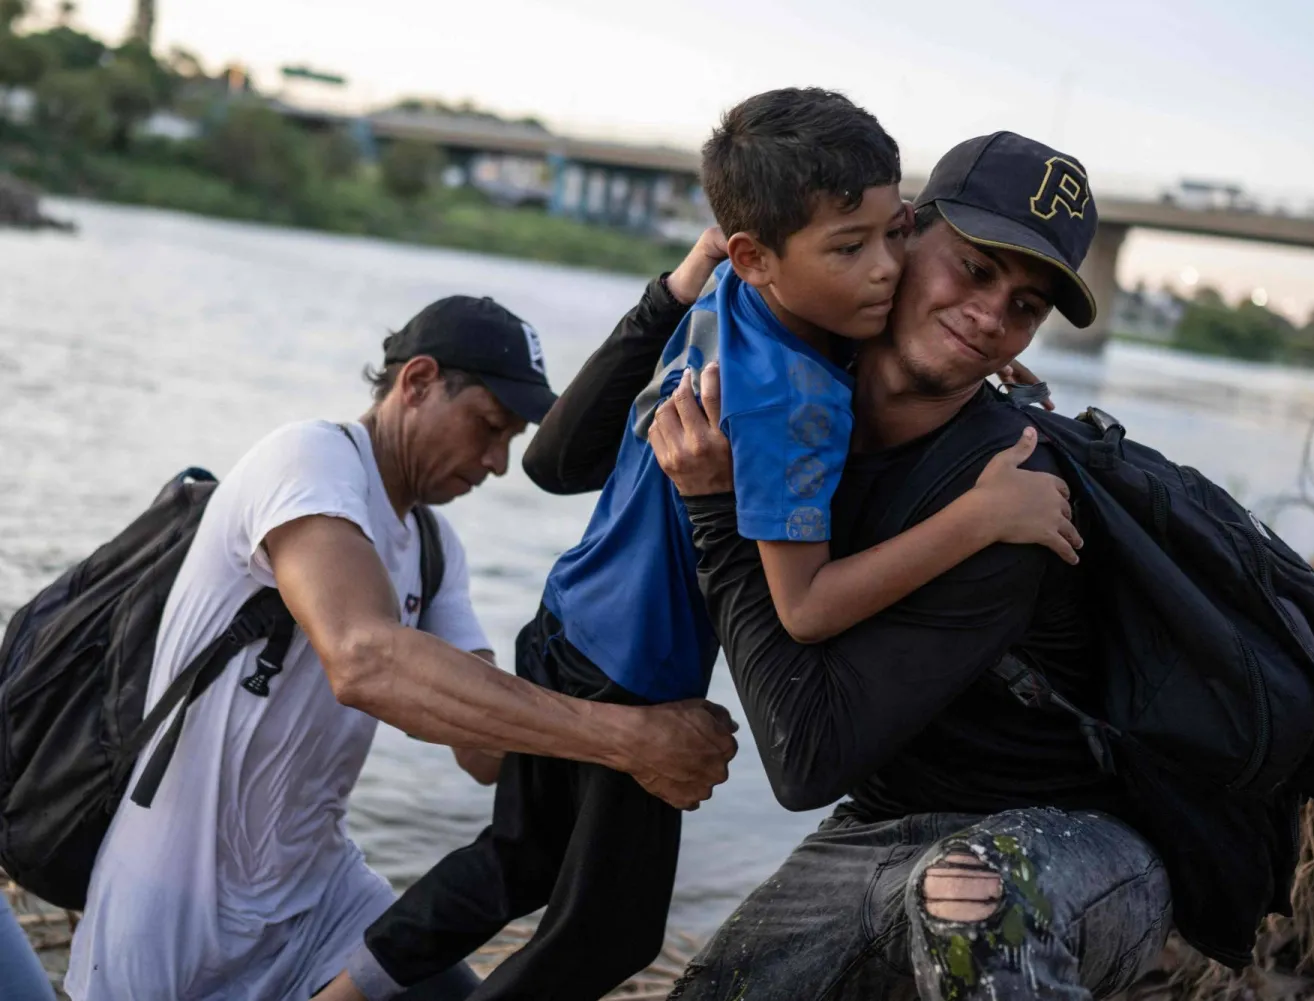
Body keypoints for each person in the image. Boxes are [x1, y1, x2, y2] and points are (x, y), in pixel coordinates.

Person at [323, 89, 1078, 1001]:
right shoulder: (799, 401)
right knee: (610, 934)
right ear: (759, 254)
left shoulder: (733, 292)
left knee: (516, 860)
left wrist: (962, 339)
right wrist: (981, 516)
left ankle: (340, 991)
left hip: (565, 618)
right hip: (633, 667)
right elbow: (804, 606)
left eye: (894, 233)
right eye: (852, 248)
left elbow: (571, 453)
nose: (882, 270)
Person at [63, 295, 738, 1001]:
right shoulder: (308, 461)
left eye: (511, 438)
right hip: (174, 901)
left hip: (321, 902)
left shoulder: (432, 548)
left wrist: (626, 726)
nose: (498, 462)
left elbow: (485, 751)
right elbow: (366, 661)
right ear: (416, 382)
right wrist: (628, 737)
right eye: (488, 425)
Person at [645, 132, 1177, 1000]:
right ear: (903, 234)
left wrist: (717, 513)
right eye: (973, 270)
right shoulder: (802, 388)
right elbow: (563, 459)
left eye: (1024, 306)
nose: (991, 316)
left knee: (969, 895)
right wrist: (692, 271)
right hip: (883, 832)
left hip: (1078, 847)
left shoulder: (1012, 499)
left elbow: (805, 755)